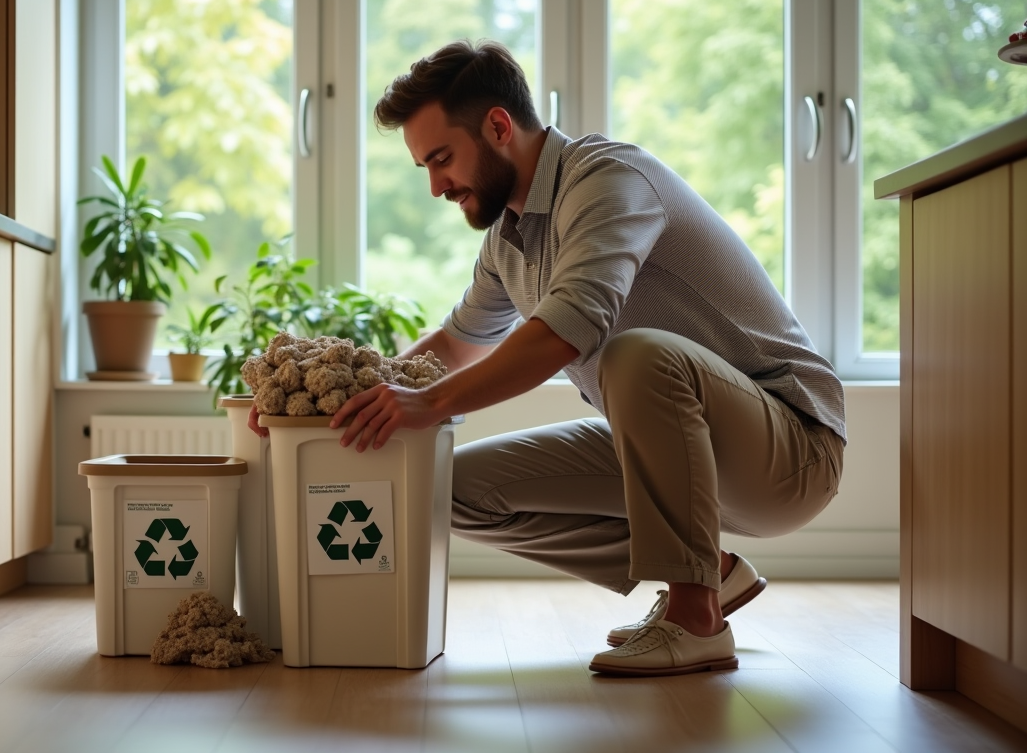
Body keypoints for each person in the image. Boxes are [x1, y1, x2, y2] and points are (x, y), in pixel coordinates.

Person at [251, 39, 846, 677]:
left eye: (442, 159)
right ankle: (708, 573)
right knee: (444, 489)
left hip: (791, 449)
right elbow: (453, 344)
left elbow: (569, 329)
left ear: (498, 127)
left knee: (634, 354)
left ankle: (696, 619)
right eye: (424, 167)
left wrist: (428, 405)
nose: (434, 187)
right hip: (674, 453)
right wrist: (334, 405)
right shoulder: (509, 238)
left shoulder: (610, 182)